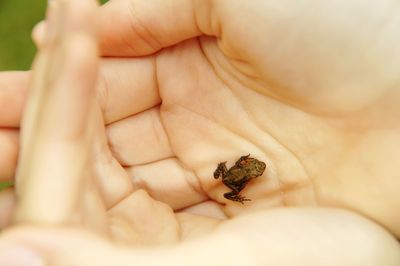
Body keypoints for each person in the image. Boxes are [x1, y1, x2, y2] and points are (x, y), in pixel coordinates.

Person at [0, 0, 399, 264]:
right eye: (252, 167)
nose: (253, 168)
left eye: (252, 169)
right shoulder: (242, 171)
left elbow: (243, 169)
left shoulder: (244, 169)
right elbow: (240, 171)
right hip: (226, 176)